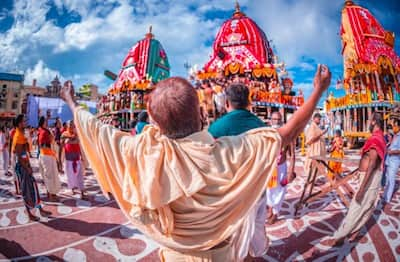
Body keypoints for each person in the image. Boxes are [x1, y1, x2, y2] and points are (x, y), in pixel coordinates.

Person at [60, 65, 331, 260]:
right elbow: (286, 135)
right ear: (201, 115)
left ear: (155, 121)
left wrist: (72, 102)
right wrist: (317, 91)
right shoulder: (226, 152)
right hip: (220, 255)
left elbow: (96, 130)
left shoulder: (141, 152)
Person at [208, 83, 268, 258]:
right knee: (254, 228)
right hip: (257, 189)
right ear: (248, 102)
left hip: (228, 192)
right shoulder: (261, 126)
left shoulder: (216, 128)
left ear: (227, 102)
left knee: (232, 234)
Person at [326, 113, 386, 246]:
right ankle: (354, 230)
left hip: (370, 177)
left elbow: (372, 163)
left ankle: (340, 236)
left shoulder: (376, 139)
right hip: (371, 176)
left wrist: (362, 188)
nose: (368, 123)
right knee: (366, 206)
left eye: (369, 120)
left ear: (374, 122)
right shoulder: (379, 137)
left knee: (357, 206)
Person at [12, 114, 51, 221]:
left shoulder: (21, 134)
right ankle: (29, 214)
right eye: (24, 121)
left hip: (25, 164)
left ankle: (40, 209)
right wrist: (27, 167)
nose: (26, 122)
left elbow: (24, 152)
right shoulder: (18, 136)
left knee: (33, 188)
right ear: (19, 123)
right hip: (22, 166)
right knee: (26, 190)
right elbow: (19, 156)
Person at [266, 112, 296, 225]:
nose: (276, 122)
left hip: (281, 167)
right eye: (274, 119)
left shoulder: (288, 135)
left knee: (280, 190)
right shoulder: (267, 134)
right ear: (270, 120)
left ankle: (275, 212)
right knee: (268, 190)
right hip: (270, 167)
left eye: (278, 120)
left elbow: (292, 154)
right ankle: (270, 208)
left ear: (281, 120)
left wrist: (291, 171)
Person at [38, 116, 61, 201]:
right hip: (47, 156)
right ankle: (50, 195)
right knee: (49, 176)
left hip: (49, 155)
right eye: (45, 121)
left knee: (52, 175)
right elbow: (42, 145)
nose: (47, 122)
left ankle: (52, 193)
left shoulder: (45, 131)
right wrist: (52, 150)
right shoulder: (43, 132)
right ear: (42, 122)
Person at [61, 120, 86, 199]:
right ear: (67, 126)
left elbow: (77, 143)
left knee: (80, 177)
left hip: (77, 158)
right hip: (69, 160)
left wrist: (81, 156)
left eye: (73, 124)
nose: (72, 126)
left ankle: (82, 192)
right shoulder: (64, 134)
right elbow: (63, 144)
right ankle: (72, 189)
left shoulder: (76, 134)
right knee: (70, 177)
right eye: (70, 124)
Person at [383, 118, 400, 202]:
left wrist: (392, 152)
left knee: (391, 179)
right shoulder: (394, 136)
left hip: (394, 161)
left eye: (395, 126)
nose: (393, 127)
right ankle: (385, 194)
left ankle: (388, 198)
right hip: (388, 160)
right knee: (387, 179)